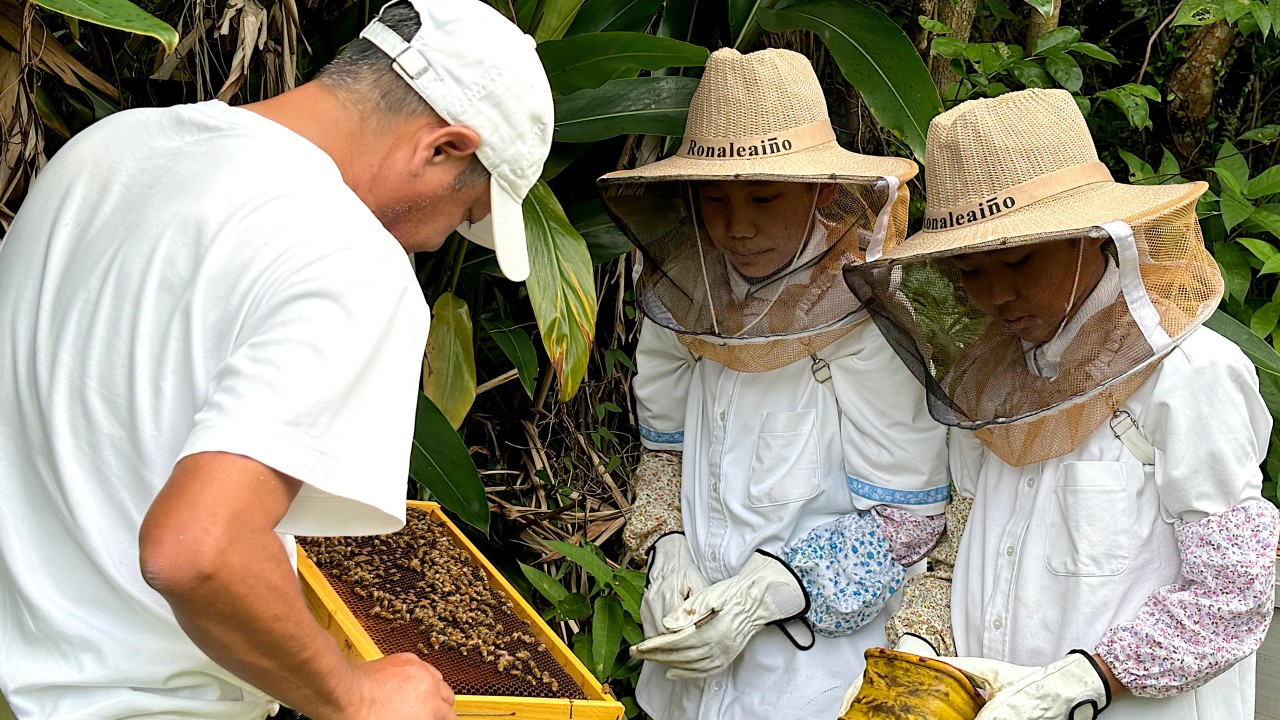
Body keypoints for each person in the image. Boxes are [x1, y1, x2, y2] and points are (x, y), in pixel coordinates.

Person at [0, 0, 552, 718]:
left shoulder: (106, 151)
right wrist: (354, 696)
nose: (435, 242)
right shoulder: (351, 257)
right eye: (465, 212)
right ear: (441, 147)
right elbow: (199, 550)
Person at [843, 88, 1279, 719]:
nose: (995, 294)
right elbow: (954, 550)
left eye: (1017, 260)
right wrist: (920, 651)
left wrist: (1091, 679)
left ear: (1090, 238)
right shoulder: (982, 381)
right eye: (969, 270)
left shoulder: (1191, 374)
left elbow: (1232, 593)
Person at [596, 48, 951, 720]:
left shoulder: (869, 316)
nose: (738, 226)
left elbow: (911, 518)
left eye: (763, 195)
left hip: (811, 679)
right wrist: (667, 550)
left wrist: (772, 587)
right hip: (683, 666)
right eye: (716, 198)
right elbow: (664, 450)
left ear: (821, 189)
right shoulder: (682, 292)